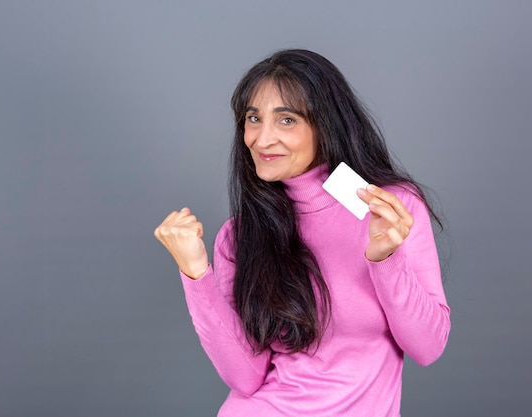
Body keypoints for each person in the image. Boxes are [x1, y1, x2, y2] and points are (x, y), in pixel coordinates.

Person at [154, 49, 450, 417]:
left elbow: (427, 347)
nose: (262, 140)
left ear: (325, 124)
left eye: (287, 120)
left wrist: (385, 259)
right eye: (253, 118)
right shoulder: (241, 235)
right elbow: (245, 378)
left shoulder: (388, 209)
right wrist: (196, 274)